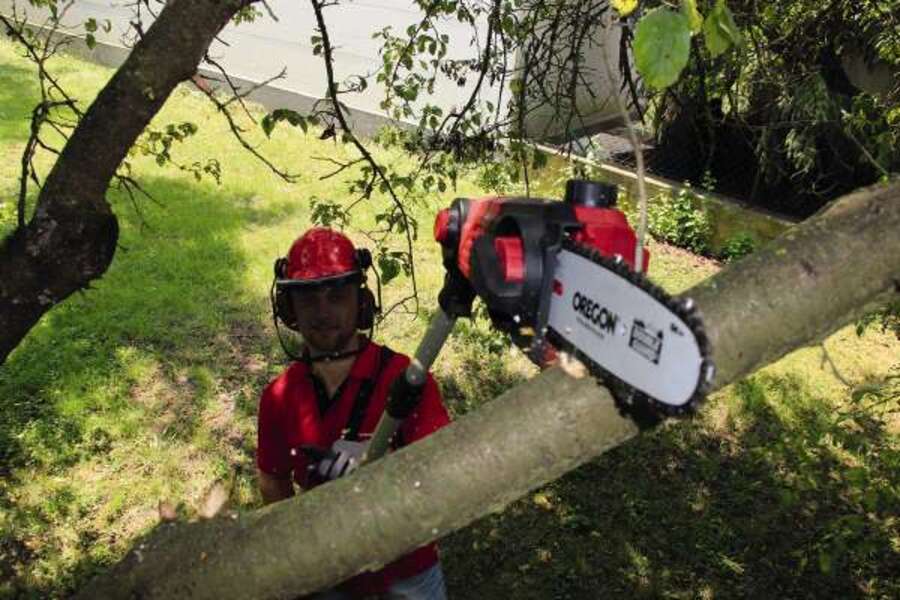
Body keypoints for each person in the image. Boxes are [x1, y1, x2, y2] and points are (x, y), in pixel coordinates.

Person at [257, 227, 451, 600]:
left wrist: (376, 459)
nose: (323, 311)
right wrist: (298, 549)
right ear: (288, 309)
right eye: (309, 299)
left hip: (407, 570)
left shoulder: (407, 381)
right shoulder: (278, 398)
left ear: (361, 303)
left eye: (337, 296)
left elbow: (444, 469)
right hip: (328, 575)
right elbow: (272, 480)